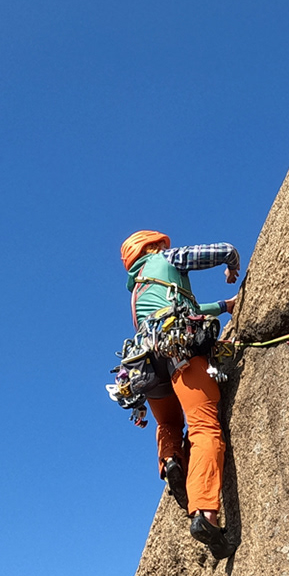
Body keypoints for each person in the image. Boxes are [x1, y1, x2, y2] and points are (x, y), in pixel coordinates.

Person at [122, 229, 242, 545]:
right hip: (179, 348)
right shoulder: (165, 258)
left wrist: (223, 306)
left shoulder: (139, 291)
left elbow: (186, 306)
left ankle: (171, 459)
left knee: (168, 423)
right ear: (154, 246)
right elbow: (218, 250)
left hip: (144, 362)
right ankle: (205, 513)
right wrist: (231, 260)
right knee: (204, 427)